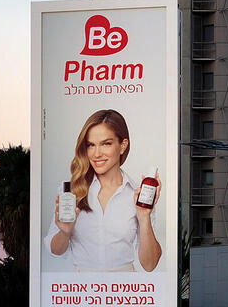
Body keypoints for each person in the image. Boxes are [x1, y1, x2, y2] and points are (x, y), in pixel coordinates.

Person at [45, 109, 162, 272]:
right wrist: (65, 232)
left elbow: (149, 264)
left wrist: (144, 216)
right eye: (91, 145)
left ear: (122, 146)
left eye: (106, 143)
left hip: (124, 291)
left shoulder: (137, 194)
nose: (97, 154)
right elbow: (56, 251)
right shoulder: (71, 191)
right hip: (81, 291)